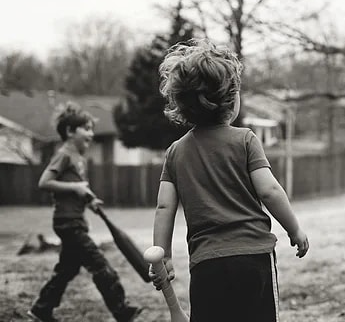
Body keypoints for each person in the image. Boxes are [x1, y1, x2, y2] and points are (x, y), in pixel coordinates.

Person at [150, 39, 309, 322]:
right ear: (232, 99)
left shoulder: (176, 152)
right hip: (253, 258)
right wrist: (294, 229)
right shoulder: (245, 140)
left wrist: (164, 255)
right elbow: (270, 190)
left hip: (206, 265)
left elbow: (164, 208)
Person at [28, 102, 142, 322]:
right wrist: (76, 188)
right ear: (70, 132)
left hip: (75, 221)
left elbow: (76, 189)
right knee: (100, 265)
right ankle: (121, 311)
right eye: (86, 128)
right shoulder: (64, 155)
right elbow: (45, 182)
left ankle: (41, 309)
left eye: (92, 128)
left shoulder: (78, 158)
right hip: (68, 223)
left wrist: (88, 199)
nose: (91, 133)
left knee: (66, 270)